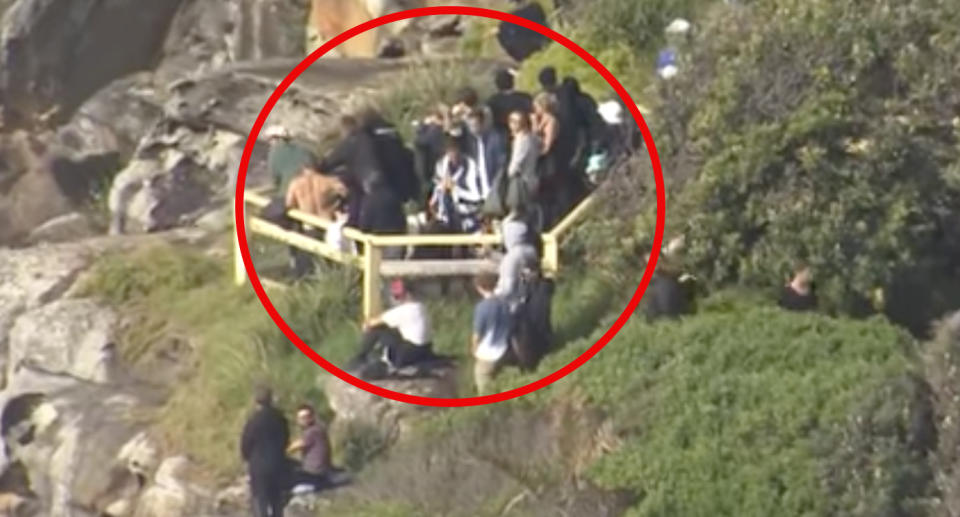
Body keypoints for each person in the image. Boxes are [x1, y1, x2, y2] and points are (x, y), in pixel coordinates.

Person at [349, 280, 434, 372]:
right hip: (424, 350)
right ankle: (374, 356)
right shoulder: (421, 307)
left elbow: (370, 324)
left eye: (397, 296)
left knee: (377, 329)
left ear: (407, 294)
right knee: (392, 329)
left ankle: (361, 357)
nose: (397, 299)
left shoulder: (403, 310)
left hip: (407, 354)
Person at [285, 167, 348, 278]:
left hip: (309, 227)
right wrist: (336, 204)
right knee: (330, 265)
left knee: (307, 267)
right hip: (327, 226)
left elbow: (289, 204)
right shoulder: (328, 181)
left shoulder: (296, 184)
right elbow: (345, 192)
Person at [241, 385, 290, 517]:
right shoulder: (280, 418)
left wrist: (247, 458)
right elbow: (286, 439)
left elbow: (246, 443)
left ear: (256, 401)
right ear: (271, 399)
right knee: (276, 500)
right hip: (277, 462)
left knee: (260, 500)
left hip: (258, 465)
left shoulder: (253, 421)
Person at [429, 137, 484, 233]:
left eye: (454, 150)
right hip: (444, 218)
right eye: (449, 151)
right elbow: (437, 190)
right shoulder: (441, 165)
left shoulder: (470, 166)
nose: (452, 154)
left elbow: (476, 197)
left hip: (467, 216)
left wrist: (455, 189)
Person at [471, 273, 513, 395]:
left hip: (486, 354)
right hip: (504, 349)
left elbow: (477, 334)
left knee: (483, 385)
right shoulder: (505, 303)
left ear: (479, 288)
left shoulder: (482, 307)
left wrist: (474, 349)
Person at [357, 174, 408, 259]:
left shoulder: (370, 199)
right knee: (393, 268)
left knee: (375, 269)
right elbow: (402, 220)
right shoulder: (395, 197)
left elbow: (365, 223)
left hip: (376, 240)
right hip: (395, 239)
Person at [494, 210, 540, 303]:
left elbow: (507, 288)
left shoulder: (513, 257)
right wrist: (491, 254)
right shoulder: (530, 251)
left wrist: (491, 297)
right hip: (530, 301)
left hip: (512, 304)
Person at [531, 92, 562, 228]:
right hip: (539, 161)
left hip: (548, 161)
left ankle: (547, 223)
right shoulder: (539, 120)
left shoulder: (551, 121)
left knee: (546, 195)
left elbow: (547, 145)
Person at [287, 404, 332, 493]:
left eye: (306, 417)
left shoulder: (313, 431)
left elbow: (295, 446)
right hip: (317, 471)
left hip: (315, 473)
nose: (303, 420)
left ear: (312, 417)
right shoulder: (317, 429)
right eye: (300, 418)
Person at [504, 110, 541, 217]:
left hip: (523, 180)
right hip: (532, 177)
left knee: (518, 211)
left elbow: (517, 161)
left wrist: (509, 174)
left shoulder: (522, 140)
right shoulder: (532, 137)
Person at [464, 109, 508, 197]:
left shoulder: (495, 139)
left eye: (475, 125)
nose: (473, 129)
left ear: (483, 124)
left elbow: (502, 164)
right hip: (481, 187)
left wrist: (497, 185)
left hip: (494, 186)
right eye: (470, 126)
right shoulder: (473, 141)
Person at [265, 126, 318, 195]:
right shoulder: (305, 149)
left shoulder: (274, 152)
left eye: (269, 140)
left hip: (289, 194)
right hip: (312, 193)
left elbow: (275, 179)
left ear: (273, 139)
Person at [486, 68, 533, 138]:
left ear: (497, 84)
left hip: (501, 135)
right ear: (512, 82)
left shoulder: (492, 101)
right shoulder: (526, 97)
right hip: (524, 134)